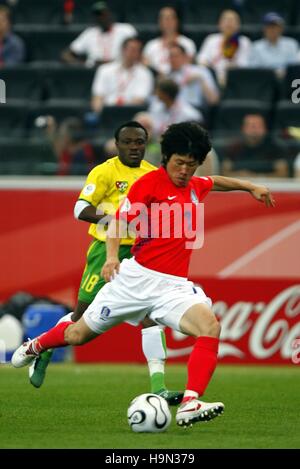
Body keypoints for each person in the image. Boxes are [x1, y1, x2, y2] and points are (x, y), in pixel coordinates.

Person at [12, 121, 275, 427]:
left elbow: (213, 180)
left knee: (210, 326)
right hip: (134, 280)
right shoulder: (148, 184)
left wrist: (250, 186)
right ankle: (36, 346)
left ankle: (190, 403)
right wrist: (111, 258)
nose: (184, 171)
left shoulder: (194, 186)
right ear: (166, 158)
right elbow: (117, 223)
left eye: (191, 165)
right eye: (179, 163)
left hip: (172, 287)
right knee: (77, 334)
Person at [28, 121, 183, 405]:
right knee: (80, 317)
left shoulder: (154, 175)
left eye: (140, 142)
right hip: (105, 251)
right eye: (129, 142)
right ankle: (45, 348)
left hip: (140, 255)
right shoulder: (105, 171)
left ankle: (159, 386)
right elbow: (79, 209)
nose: (135, 147)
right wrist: (115, 222)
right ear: (117, 144)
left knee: (151, 317)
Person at [61, 1, 137, 67]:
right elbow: (66, 55)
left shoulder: (126, 29)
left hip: (119, 71)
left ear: (110, 14)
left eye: (104, 14)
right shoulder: (89, 33)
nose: (101, 17)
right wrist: (84, 65)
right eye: (98, 15)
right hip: (94, 72)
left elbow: (138, 50)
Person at [91, 36, 153, 114]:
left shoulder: (145, 73)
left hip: (131, 113)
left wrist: (121, 110)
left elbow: (140, 99)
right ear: (123, 50)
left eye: (137, 50)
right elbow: (98, 97)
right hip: (108, 112)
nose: (133, 53)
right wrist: (100, 114)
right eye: (131, 49)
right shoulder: (104, 70)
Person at [221, 113, 289, 177]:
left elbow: (283, 173)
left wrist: (259, 178)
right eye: (251, 126)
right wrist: (239, 175)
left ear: (265, 129)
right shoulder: (233, 148)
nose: (254, 130)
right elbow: (224, 172)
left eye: (258, 126)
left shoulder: (276, 148)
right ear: (243, 129)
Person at [197, 9, 251, 86]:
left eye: (232, 20)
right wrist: (210, 68)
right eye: (226, 20)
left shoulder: (244, 41)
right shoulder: (211, 39)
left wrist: (230, 68)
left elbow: (245, 65)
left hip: (235, 79)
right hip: (213, 78)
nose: (229, 23)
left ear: (238, 25)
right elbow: (201, 60)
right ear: (219, 24)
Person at [143, 6, 196, 75]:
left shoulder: (187, 43)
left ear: (177, 21)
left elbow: (189, 66)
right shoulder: (151, 45)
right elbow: (145, 66)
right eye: (164, 18)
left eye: (171, 18)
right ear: (159, 22)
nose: (168, 21)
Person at [167, 43, 220, 110]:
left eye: (176, 56)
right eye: (170, 56)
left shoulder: (201, 71)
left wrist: (201, 80)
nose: (172, 59)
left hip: (194, 110)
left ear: (185, 57)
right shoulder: (166, 76)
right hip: (172, 111)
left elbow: (214, 100)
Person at [249, 12, 299, 77]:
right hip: (265, 81)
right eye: (270, 27)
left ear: (281, 28)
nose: (273, 30)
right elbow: (254, 69)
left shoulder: (291, 44)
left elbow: (294, 67)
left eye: (276, 27)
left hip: (287, 79)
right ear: (264, 29)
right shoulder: (256, 46)